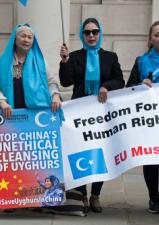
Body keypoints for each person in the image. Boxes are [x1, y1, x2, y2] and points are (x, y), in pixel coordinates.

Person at [59, 18, 124, 213]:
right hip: (79, 113)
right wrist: (64, 62)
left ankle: (96, 195)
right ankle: (82, 195)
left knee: (101, 154)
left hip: (102, 114)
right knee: (81, 152)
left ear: (100, 33)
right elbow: (65, 82)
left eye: (95, 31)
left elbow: (120, 80)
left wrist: (106, 86)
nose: (91, 35)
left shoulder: (110, 57)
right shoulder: (75, 56)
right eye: (87, 32)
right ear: (82, 35)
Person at [0, 23, 61, 118]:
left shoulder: (40, 61)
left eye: (29, 37)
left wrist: (55, 96)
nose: (26, 40)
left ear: (33, 41)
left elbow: (51, 82)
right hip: (10, 114)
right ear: (15, 39)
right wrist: (2, 102)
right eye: (23, 36)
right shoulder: (3, 61)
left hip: (36, 115)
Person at [126, 21, 159, 214]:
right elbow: (128, 88)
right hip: (149, 120)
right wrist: (141, 84)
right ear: (150, 39)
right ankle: (154, 198)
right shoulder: (141, 61)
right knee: (152, 159)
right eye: (156, 34)